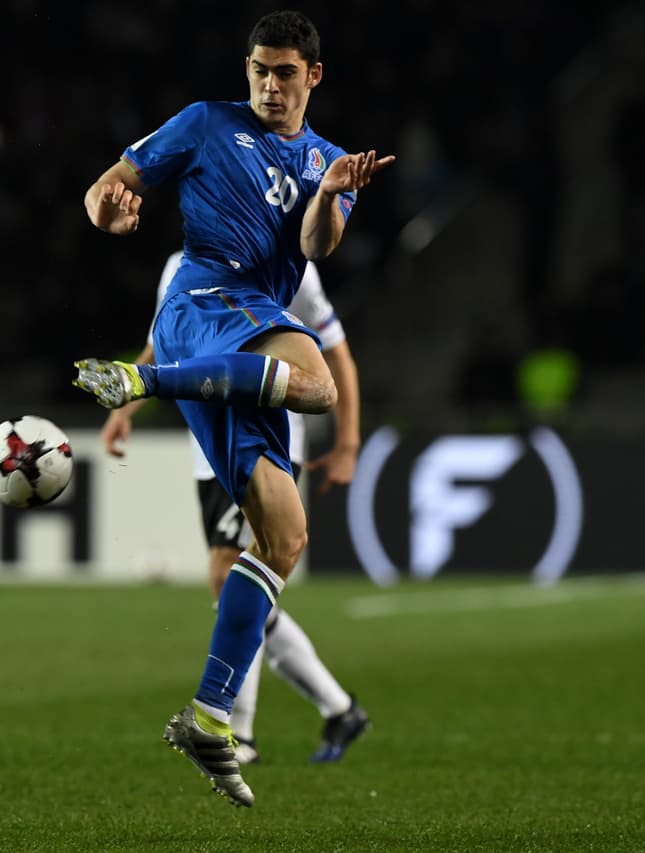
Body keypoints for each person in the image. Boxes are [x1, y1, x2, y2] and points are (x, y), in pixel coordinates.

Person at [73, 10, 392, 807]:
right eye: (258, 70)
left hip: (244, 346)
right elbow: (105, 189)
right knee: (316, 383)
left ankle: (212, 715)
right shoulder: (204, 124)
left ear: (313, 76)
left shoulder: (328, 160)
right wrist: (107, 209)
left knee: (284, 538)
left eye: (284, 73)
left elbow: (316, 247)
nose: (269, 85)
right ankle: (144, 382)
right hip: (203, 303)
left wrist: (326, 192)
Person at [101, 250, 369, 766]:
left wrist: (349, 442)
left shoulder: (294, 265)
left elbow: (337, 353)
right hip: (208, 447)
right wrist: (127, 408)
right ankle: (337, 708)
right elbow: (161, 345)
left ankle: (240, 735)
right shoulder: (179, 264)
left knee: (231, 575)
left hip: (262, 440)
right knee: (237, 582)